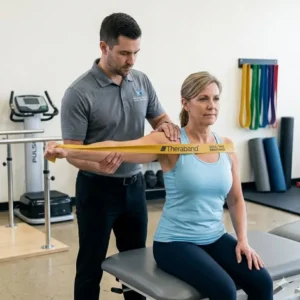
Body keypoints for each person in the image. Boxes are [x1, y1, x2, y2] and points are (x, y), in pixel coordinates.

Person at [46, 71, 273, 300]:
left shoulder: (226, 146)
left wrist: (243, 240)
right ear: (185, 104)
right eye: (203, 99)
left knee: (262, 283)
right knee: (224, 290)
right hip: (175, 242)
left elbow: (235, 199)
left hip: (215, 236)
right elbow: (122, 148)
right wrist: (69, 150)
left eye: (215, 98)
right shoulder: (170, 143)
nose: (211, 105)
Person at [59, 12, 180, 300]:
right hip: (96, 190)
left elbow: (160, 118)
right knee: (90, 265)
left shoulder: (141, 80)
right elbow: (72, 151)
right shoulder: (78, 93)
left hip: (135, 188)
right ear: (104, 48)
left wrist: (167, 125)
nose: (132, 60)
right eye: (125, 53)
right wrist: (96, 162)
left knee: (137, 266)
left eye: (136, 53)